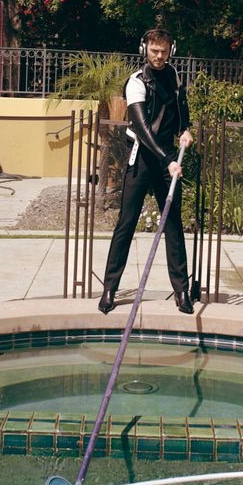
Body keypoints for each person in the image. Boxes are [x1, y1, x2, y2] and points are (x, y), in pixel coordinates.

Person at [98, 26, 194, 315]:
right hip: (142, 159)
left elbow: (180, 106)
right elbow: (140, 128)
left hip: (167, 160)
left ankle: (181, 291)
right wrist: (167, 157)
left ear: (170, 51)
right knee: (126, 223)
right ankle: (109, 289)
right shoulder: (136, 82)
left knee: (173, 224)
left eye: (164, 51)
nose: (159, 56)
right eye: (154, 50)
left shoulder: (173, 76)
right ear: (145, 50)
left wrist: (185, 129)